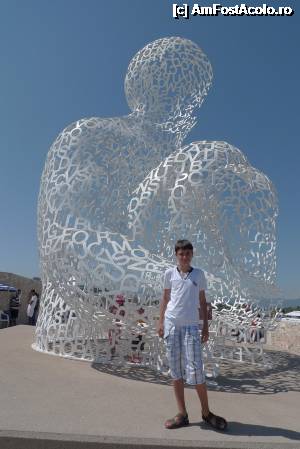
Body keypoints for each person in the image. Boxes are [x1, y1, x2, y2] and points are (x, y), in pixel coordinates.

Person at [157, 239, 227, 431]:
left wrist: (204, 327)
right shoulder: (169, 274)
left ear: (192, 255)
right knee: (176, 371)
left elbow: (203, 302)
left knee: (196, 370)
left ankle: (206, 412)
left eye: (188, 253)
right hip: (172, 325)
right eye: (181, 254)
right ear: (176, 255)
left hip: (190, 327)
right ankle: (182, 414)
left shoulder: (199, 274)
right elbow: (165, 298)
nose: (184, 257)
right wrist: (161, 321)